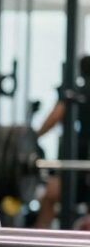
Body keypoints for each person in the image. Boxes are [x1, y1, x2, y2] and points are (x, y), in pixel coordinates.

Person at [34, 56, 90, 229]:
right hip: (77, 161)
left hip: (79, 162)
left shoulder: (76, 93)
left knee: (50, 197)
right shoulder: (76, 93)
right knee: (50, 196)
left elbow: (55, 117)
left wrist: (34, 137)